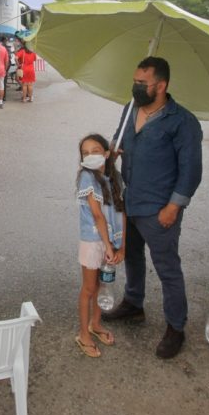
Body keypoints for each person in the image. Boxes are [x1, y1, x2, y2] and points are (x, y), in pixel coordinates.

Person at [103, 56, 203, 360]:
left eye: (141, 83)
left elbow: (191, 171)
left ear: (161, 85)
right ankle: (134, 304)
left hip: (160, 207)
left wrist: (174, 206)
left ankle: (176, 326)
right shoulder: (131, 108)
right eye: (134, 81)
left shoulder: (182, 122)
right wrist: (111, 151)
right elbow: (121, 142)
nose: (135, 87)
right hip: (128, 201)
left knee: (167, 267)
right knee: (131, 256)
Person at [74, 133, 125, 357]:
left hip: (110, 240)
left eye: (95, 151)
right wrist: (107, 246)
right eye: (85, 153)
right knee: (89, 288)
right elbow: (97, 215)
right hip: (94, 241)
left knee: (103, 285)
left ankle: (96, 324)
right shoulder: (86, 177)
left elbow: (122, 212)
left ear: (106, 153)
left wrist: (121, 246)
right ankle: (83, 334)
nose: (90, 156)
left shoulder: (115, 178)